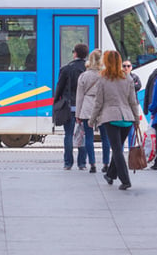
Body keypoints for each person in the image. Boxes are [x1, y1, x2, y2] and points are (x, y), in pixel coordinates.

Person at [89, 50, 142, 190]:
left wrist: (92, 119)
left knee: (117, 150)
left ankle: (125, 180)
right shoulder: (128, 78)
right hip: (127, 119)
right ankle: (111, 174)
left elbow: (98, 102)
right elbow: (133, 101)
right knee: (118, 148)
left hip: (110, 118)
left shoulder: (103, 79)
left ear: (105, 62)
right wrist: (136, 119)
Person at [54, 44, 89, 170]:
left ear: (75, 54)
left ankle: (68, 163)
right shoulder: (88, 70)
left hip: (69, 106)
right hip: (84, 107)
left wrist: (56, 102)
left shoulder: (66, 69)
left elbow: (59, 88)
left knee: (68, 134)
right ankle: (82, 163)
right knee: (82, 134)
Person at [75, 49, 107, 174]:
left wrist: (78, 114)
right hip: (102, 108)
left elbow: (79, 97)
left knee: (88, 137)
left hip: (87, 107)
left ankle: (92, 164)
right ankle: (106, 163)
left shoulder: (84, 76)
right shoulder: (105, 75)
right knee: (105, 138)